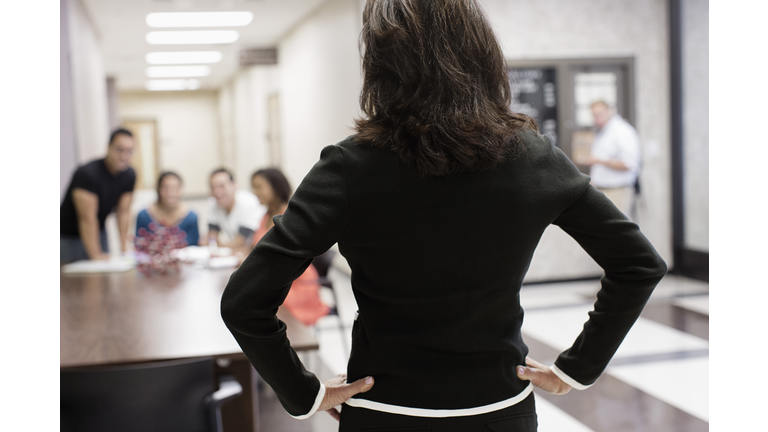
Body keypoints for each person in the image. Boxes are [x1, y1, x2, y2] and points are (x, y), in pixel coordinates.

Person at [221, 1, 667, 430]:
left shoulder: (348, 168)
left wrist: (304, 394)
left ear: (380, 64)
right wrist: (577, 369)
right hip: (501, 409)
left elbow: (244, 301)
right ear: (482, 53)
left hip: (387, 411)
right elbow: (639, 264)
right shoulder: (533, 159)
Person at [249, 168, 330, 326]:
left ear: (275, 187)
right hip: (277, 280)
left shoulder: (289, 216)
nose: (255, 191)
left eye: (259, 186)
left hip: (296, 283)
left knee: (255, 306)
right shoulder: (266, 216)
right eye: (253, 187)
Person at [60, 128, 136, 263]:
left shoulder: (129, 175)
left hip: (99, 231)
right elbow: (87, 218)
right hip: (68, 237)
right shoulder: (88, 173)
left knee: (104, 275)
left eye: (129, 151)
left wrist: (124, 248)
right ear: (108, 147)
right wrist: (95, 255)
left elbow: (123, 212)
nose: (124, 155)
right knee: (73, 280)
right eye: (120, 149)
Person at [580, 100, 642, 216]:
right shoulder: (602, 132)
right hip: (601, 190)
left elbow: (629, 164)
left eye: (599, 114)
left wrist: (599, 161)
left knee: (616, 231)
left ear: (610, 111)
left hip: (618, 191)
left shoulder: (622, 131)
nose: (596, 118)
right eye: (594, 115)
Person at [135, 171, 200, 246]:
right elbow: (139, 244)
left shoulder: (191, 217)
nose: (171, 192)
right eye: (166, 188)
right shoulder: (144, 215)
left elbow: (194, 246)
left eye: (175, 188)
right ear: (158, 190)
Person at [206, 168, 264, 249]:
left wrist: (219, 247)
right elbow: (212, 235)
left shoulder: (248, 202)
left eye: (221, 186)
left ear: (234, 184)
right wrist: (213, 245)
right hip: (234, 252)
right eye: (213, 187)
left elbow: (242, 240)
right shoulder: (213, 202)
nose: (217, 191)